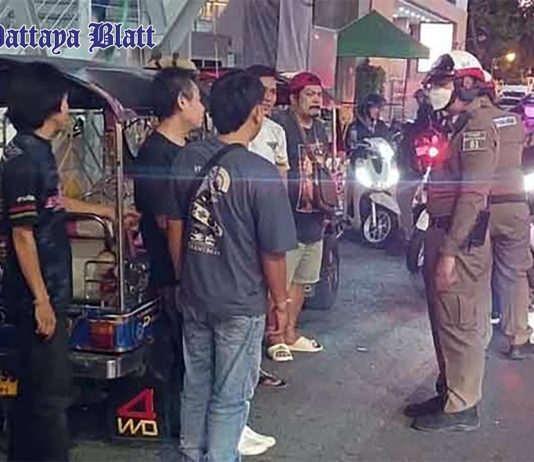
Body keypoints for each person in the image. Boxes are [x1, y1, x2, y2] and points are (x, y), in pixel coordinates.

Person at [0, 62, 131, 462]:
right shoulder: (24, 160)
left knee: (33, 393)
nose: (68, 107)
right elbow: (22, 234)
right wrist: (41, 300)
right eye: (64, 99)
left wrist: (107, 211)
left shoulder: (37, 151)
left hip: (48, 287)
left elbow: (52, 203)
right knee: (51, 396)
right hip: (37, 294)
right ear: (50, 104)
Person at [164, 69, 297, 462]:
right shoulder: (260, 172)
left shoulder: (187, 157)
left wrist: (184, 278)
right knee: (231, 396)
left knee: (196, 386)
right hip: (240, 302)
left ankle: (191, 454)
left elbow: (175, 227)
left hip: (195, 296)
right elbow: (273, 252)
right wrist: (281, 303)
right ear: (256, 113)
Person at [404, 51, 498, 432]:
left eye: (443, 83)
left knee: (460, 322)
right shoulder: (458, 125)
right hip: (441, 231)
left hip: (459, 243)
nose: (435, 90)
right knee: (444, 319)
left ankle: (462, 405)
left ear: (467, 84)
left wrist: (449, 252)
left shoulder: (477, 129)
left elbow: (473, 196)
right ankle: (449, 391)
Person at [132, 66, 205, 437]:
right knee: (182, 349)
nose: (203, 107)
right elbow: (165, 220)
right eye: (198, 99)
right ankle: (184, 428)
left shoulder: (185, 150)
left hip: (193, 267)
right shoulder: (156, 153)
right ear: (182, 101)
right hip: (174, 269)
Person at [268, 72, 328, 362]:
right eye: (309, 94)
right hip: (287, 217)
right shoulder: (281, 127)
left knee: (302, 280)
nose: (316, 100)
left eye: (319, 94)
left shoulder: (322, 130)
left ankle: (290, 332)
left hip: (315, 216)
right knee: (279, 283)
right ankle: (275, 336)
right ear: (293, 99)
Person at [485, 83, 534, 359]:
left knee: (475, 273)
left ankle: (476, 336)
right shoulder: (516, 123)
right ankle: (517, 339)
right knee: (514, 273)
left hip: (480, 206)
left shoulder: (470, 123)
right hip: (514, 205)